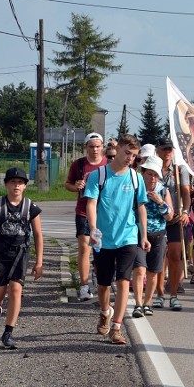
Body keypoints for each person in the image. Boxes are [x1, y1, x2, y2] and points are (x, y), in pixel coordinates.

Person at [85, 134, 150, 345]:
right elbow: (91, 204)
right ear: (118, 149)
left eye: (134, 155)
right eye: (127, 153)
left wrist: (144, 235)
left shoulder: (135, 177)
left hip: (128, 237)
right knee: (104, 284)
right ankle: (105, 312)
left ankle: (117, 327)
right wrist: (94, 229)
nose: (130, 158)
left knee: (123, 281)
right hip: (103, 238)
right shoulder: (99, 175)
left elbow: (141, 207)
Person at [0, 167, 43, 350]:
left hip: (20, 253)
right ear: (6, 184)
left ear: (25, 187)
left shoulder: (31, 207)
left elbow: (37, 235)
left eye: (20, 183)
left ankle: (8, 333)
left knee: (15, 290)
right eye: (12, 182)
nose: (16, 186)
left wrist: (39, 262)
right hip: (0, 253)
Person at [64, 132, 107, 301]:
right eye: (91, 146)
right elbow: (67, 184)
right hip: (83, 211)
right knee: (84, 248)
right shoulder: (79, 165)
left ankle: (100, 276)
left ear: (102, 147)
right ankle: (84, 285)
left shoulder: (108, 165)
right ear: (86, 147)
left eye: (98, 146)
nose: (95, 149)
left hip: (103, 212)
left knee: (102, 248)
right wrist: (76, 186)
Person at [154, 137, 191, 311]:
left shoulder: (180, 170)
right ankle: (159, 294)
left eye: (170, 149)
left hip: (175, 218)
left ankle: (174, 294)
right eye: (164, 149)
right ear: (158, 150)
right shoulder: (151, 169)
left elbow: (186, 194)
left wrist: (185, 212)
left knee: (175, 255)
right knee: (159, 257)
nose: (167, 152)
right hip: (156, 219)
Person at [136, 155, 174, 317]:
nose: (152, 178)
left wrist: (160, 202)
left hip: (158, 235)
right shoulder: (136, 188)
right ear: (143, 173)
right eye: (149, 174)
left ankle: (147, 303)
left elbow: (170, 216)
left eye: (155, 174)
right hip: (137, 234)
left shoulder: (163, 190)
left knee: (153, 271)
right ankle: (138, 304)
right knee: (139, 269)